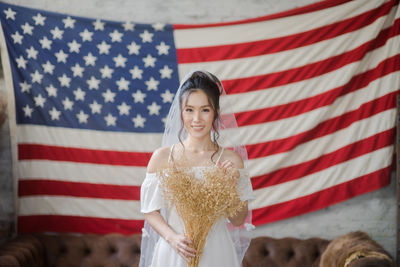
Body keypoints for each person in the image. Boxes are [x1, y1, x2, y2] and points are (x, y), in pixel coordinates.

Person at [139, 70, 254, 267]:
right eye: (189, 110)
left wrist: (229, 189)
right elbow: (150, 211)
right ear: (181, 112)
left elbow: (238, 220)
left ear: (216, 112)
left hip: (217, 252)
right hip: (176, 250)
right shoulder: (162, 157)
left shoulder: (231, 160)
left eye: (205, 110)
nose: (196, 119)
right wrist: (172, 238)